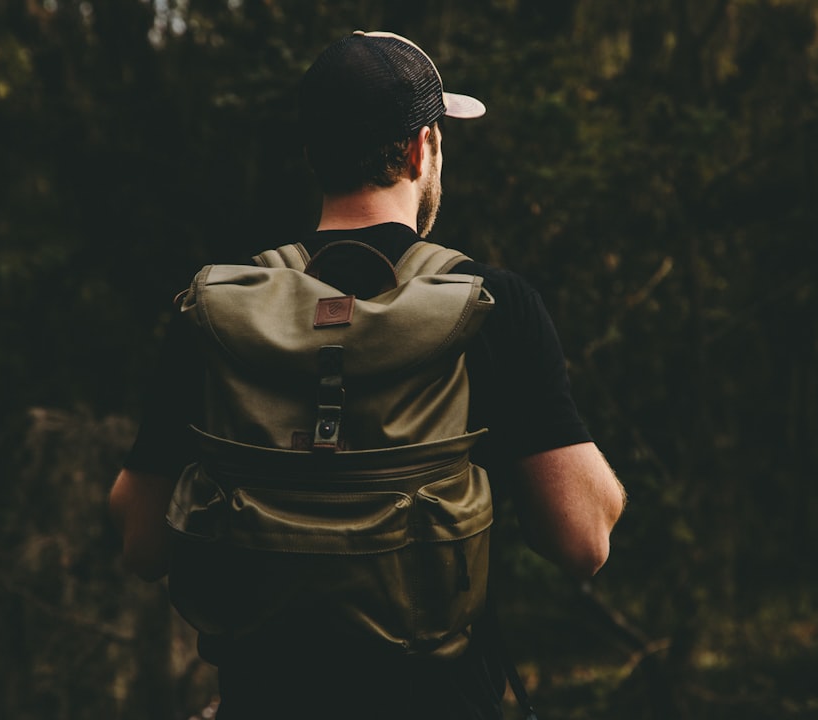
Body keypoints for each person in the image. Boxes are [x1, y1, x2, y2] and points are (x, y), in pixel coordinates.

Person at [109, 30, 627, 720]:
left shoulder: (213, 311)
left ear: (312, 156)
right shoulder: (491, 306)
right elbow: (584, 540)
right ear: (420, 150)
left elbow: (140, 541)